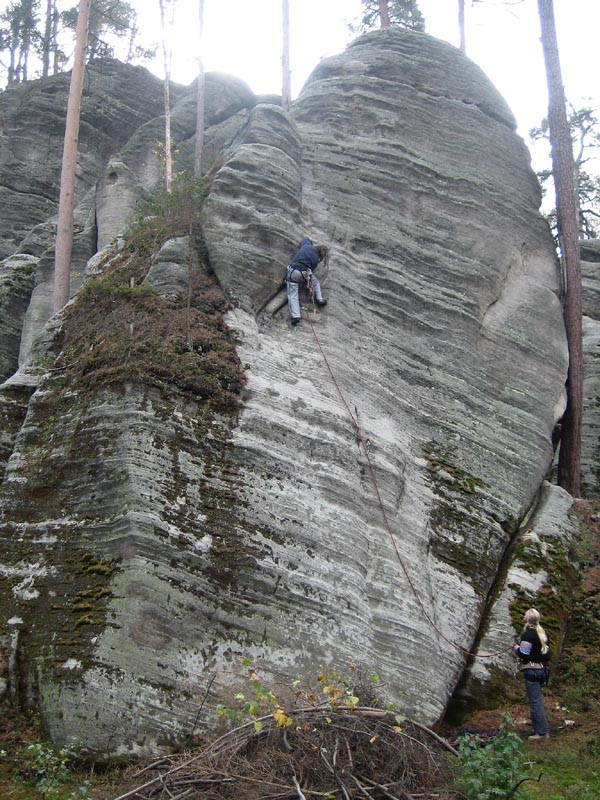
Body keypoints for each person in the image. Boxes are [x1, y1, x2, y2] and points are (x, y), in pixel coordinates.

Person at [513, 608, 550, 741]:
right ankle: (539, 728)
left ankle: (541, 732)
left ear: (527, 619)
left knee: (535, 702)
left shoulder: (528, 635)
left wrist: (516, 648)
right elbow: (547, 654)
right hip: (541, 670)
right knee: (537, 700)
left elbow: (524, 653)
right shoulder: (542, 633)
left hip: (531, 671)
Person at [286, 236, 329, 325]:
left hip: (294, 271)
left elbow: (305, 239)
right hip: (305, 274)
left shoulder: (307, 246)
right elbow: (311, 270)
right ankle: (319, 299)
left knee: (292, 294)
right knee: (316, 282)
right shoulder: (316, 260)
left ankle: (296, 316)